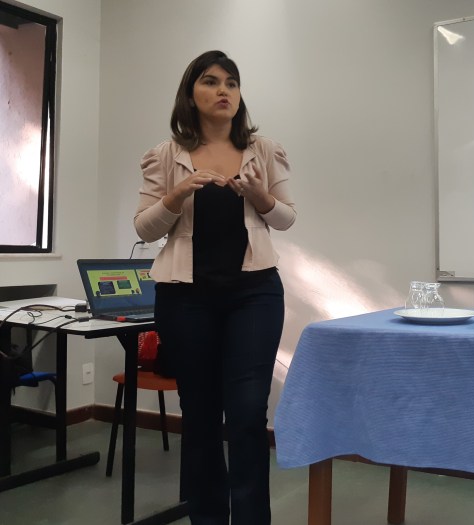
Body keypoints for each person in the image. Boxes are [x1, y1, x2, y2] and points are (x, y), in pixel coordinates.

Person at [134, 50, 296, 525]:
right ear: (191, 94)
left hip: (255, 294)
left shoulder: (264, 150)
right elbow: (144, 228)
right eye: (210, 81)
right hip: (186, 299)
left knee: (247, 413)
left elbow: (286, 218)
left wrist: (260, 196)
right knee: (201, 416)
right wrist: (176, 195)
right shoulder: (166, 156)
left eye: (231, 82)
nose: (223, 90)